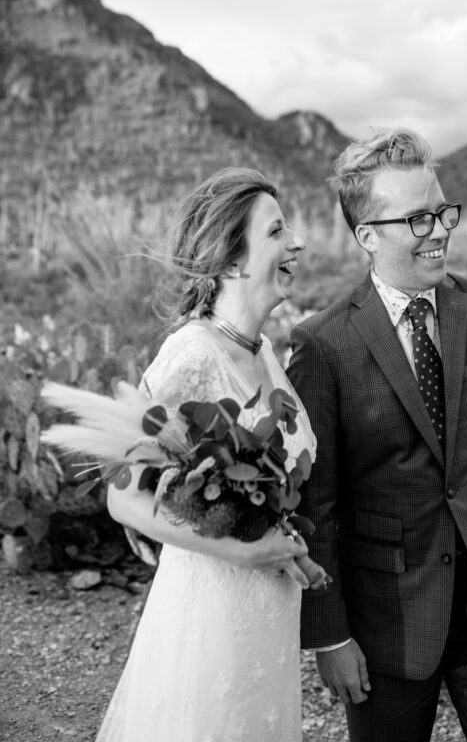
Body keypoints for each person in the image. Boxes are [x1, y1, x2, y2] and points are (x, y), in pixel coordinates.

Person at [287, 128, 467, 742]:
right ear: (368, 237)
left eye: (441, 210)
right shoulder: (323, 345)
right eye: (418, 218)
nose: (439, 229)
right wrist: (331, 633)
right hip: (387, 626)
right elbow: (317, 506)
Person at [95, 167, 320, 742]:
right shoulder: (189, 355)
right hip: (211, 617)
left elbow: (261, 495)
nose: (296, 242)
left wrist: (285, 545)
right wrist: (239, 553)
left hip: (269, 621)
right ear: (231, 262)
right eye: (276, 231)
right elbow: (123, 495)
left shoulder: (266, 351)